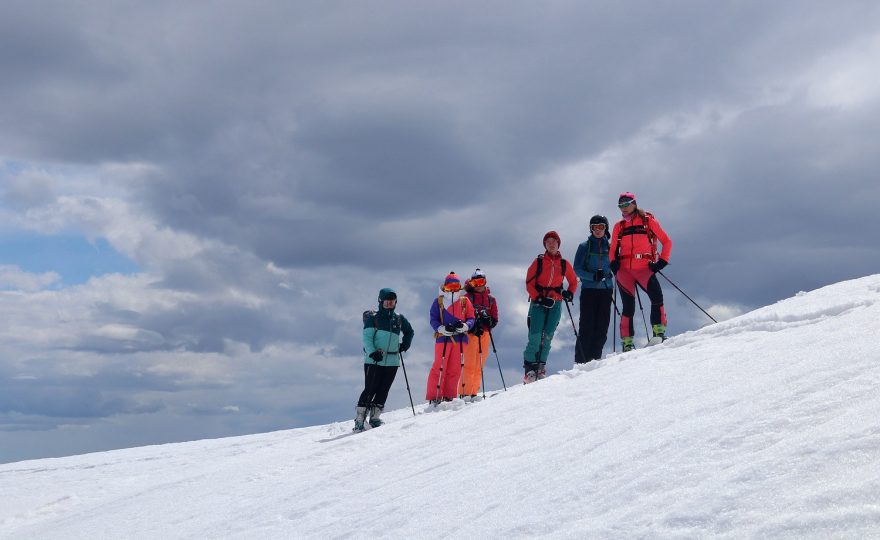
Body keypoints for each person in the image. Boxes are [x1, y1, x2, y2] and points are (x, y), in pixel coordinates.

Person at [609, 192, 673, 352]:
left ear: (634, 204)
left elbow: (667, 241)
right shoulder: (619, 226)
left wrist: (662, 262)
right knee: (628, 307)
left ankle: (659, 333)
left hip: (644, 268)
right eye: (620, 205)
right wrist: (613, 263)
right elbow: (612, 249)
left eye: (626, 204)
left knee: (657, 298)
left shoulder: (648, 221)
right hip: (624, 271)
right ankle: (627, 343)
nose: (623, 208)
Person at [355, 287, 415, 432]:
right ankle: (360, 419)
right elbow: (367, 338)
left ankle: (375, 418)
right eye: (386, 301)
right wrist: (372, 352)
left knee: (384, 389)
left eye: (392, 301)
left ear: (396, 302)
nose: (389, 303)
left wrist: (404, 345)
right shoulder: (374, 318)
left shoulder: (399, 318)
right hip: (374, 360)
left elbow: (409, 331)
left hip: (392, 360)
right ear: (380, 301)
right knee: (370, 388)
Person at [523, 231, 578, 383]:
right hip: (539, 303)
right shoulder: (538, 262)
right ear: (545, 245)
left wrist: (569, 294)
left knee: (547, 337)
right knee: (535, 336)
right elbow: (529, 283)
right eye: (548, 241)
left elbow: (573, 281)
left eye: (554, 241)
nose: (551, 243)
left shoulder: (564, 263)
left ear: (558, 244)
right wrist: (538, 298)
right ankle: (529, 371)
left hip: (556, 303)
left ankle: (540, 368)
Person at [427, 272, 475, 404]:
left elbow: (472, 318)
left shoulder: (465, 301)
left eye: (456, 286)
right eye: (450, 287)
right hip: (443, 338)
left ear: (459, 287)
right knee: (439, 367)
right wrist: (441, 328)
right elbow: (433, 319)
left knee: (455, 368)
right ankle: (434, 396)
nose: (453, 289)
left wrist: (465, 326)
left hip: (460, 339)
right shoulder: (439, 301)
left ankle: (449, 395)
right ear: (445, 286)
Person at [573, 215, 614, 363]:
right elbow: (576, 269)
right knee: (587, 326)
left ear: (606, 228)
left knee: (602, 326)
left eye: (601, 227)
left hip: (606, 290)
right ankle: (581, 361)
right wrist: (592, 276)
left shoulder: (611, 247)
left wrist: (613, 271)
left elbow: (616, 265)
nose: (597, 230)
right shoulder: (584, 247)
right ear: (590, 229)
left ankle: (595, 359)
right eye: (594, 227)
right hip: (589, 290)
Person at [461, 269, 499, 400]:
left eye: (481, 281)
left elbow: (495, 318)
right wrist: (471, 326)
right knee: (469, 364)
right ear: (471, 283)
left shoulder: (491, 300)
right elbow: (461, 315)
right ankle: (465, 392)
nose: (479, 285)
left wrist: (489, 321)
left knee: (479, 365)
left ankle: (473, 392)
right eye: (476, 282)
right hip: (470, 334)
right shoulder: (466, 298)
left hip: (485, 334)